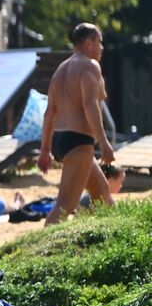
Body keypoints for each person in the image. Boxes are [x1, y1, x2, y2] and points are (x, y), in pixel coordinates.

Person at [39, 22, 115, 225]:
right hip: (78, 141)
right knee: (65, 206)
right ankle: (42, 254)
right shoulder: (90, 66)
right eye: (100, 42)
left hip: (60, 139)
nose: (102, 48)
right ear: (88, 43)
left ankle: (108, 235)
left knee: (102, 193)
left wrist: (45, 150)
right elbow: (90, 105)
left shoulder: (61, 70)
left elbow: (49, 114)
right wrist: (104, 142)